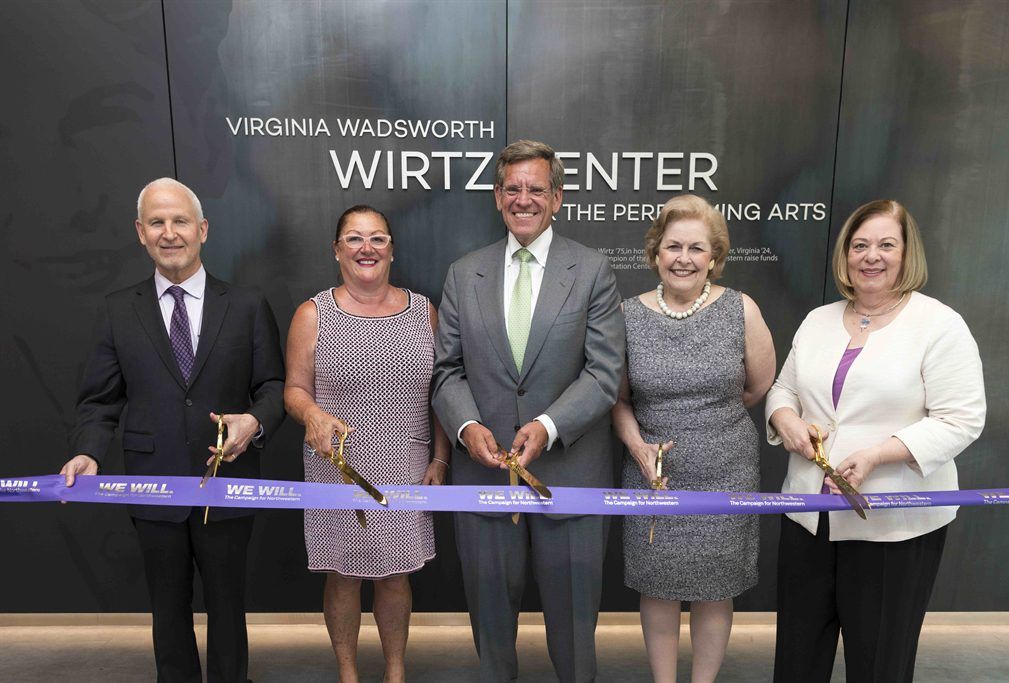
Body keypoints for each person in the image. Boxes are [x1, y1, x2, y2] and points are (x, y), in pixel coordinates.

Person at [59, 177, 286, 683]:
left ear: (202, 229)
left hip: (225, 480)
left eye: (180, 221)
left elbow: (272, 385)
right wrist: (89, 452)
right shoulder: (119, 309)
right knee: (167, 604)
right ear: (140, 232)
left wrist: (254, 422)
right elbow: (99, 400)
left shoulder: (246, 304)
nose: (169, 233)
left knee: (228, 603)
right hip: (151, 481)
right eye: (157, 222)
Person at [766, 199, 986, 682]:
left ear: (908, 255)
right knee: (797, 661)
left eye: (887, 245)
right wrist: (785, 419)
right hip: (809, 518)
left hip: (894, 525)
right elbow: (783, 389)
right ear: (845, 255)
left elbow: (961, 419)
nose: (871, 256)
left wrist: (878, 453)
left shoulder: (939, 325)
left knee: (879, 664)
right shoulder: (817, 320)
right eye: (860, 245)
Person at [432, 139, 626, 682]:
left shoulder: (592, 271)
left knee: (573, 634)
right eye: (512, 188)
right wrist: (467, 427)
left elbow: (604, 372)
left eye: (536, 189)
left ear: (557, 198)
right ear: (496, 197)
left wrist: (546, 426)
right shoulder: (462, 274)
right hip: (484, 474)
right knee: (491, 631)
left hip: (570, 478)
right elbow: (446, 370)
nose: (524, 199)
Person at [611, 195, 775, 683]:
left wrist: (708, 424)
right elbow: (618, 400)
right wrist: (639, 448)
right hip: (651, 474)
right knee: (657, 587)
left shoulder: (740, 309)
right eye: (673, 246)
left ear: (714, 257)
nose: (683, 258)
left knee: (714, 588)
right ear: (655, 253)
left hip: (727, 470)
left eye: (696, 248)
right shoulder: (626, 315)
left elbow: (757, 386)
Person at [284, 205, 450, 683]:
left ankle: (396, 672)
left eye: (377, 238)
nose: (366, 248)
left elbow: (441, 394)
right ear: (336, 250)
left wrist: (440, 457)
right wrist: (312, 413)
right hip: (337, 465)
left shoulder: (425, 311)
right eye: (354, 238)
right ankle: (348, 674)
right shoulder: (312, 313)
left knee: (396, 574)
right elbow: (293, 389)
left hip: (407, 461)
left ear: (392, 250)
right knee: (343, 574)